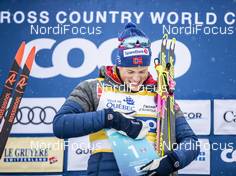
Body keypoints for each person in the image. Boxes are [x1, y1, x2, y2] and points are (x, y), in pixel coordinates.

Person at [53, 22, 200, 176]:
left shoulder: (161, 93)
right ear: (119, 65)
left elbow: (191, 142)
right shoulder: (93, 88)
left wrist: (171, 162)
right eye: (130, 71)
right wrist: (111, 118)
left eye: (142, 71)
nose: (137, 78)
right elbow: (61, 125)